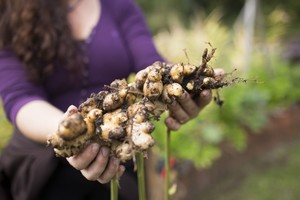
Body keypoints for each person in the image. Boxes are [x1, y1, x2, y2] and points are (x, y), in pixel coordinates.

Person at [0, 0, 221, 199]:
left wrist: (184, 81)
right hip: (43, 158)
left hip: (117, 138)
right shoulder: (9, 12)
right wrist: (75, 130)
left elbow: (151, 63)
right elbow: (21, 98)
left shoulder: (118, 6)